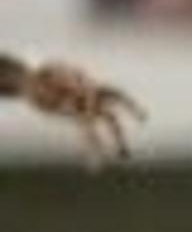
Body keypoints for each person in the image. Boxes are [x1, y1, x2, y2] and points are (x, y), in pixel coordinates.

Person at [1, 49, 142, 163]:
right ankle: (117, 147)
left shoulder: (46, 86)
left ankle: (118, 148)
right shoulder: (44, 81)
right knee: (100, 114)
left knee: (102, 114)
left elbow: (101, 111)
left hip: (65, 94)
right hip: (57, 91)